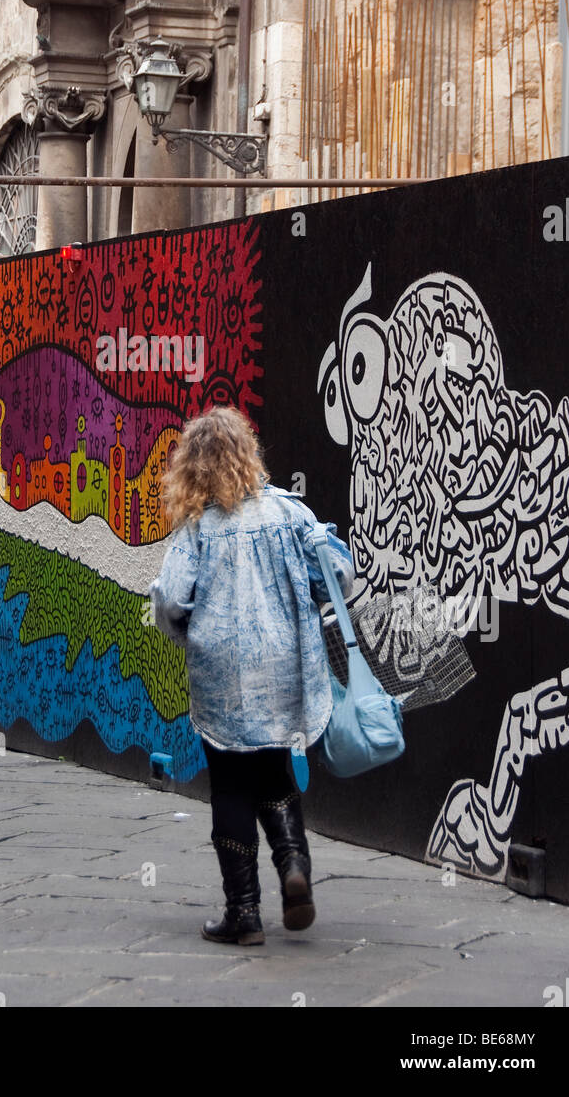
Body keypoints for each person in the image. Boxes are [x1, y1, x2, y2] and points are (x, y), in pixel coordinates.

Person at [149, 405, 354, 946]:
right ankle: (294, 867)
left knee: (231, 784)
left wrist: (184, 632)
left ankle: (243, 913)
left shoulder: (199, 527)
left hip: (221, 672)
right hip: (285, 665)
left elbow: (171, 598)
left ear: (193, 467)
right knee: (274, 772)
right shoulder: (289, 513)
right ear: (247, 454)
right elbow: (338, 570)